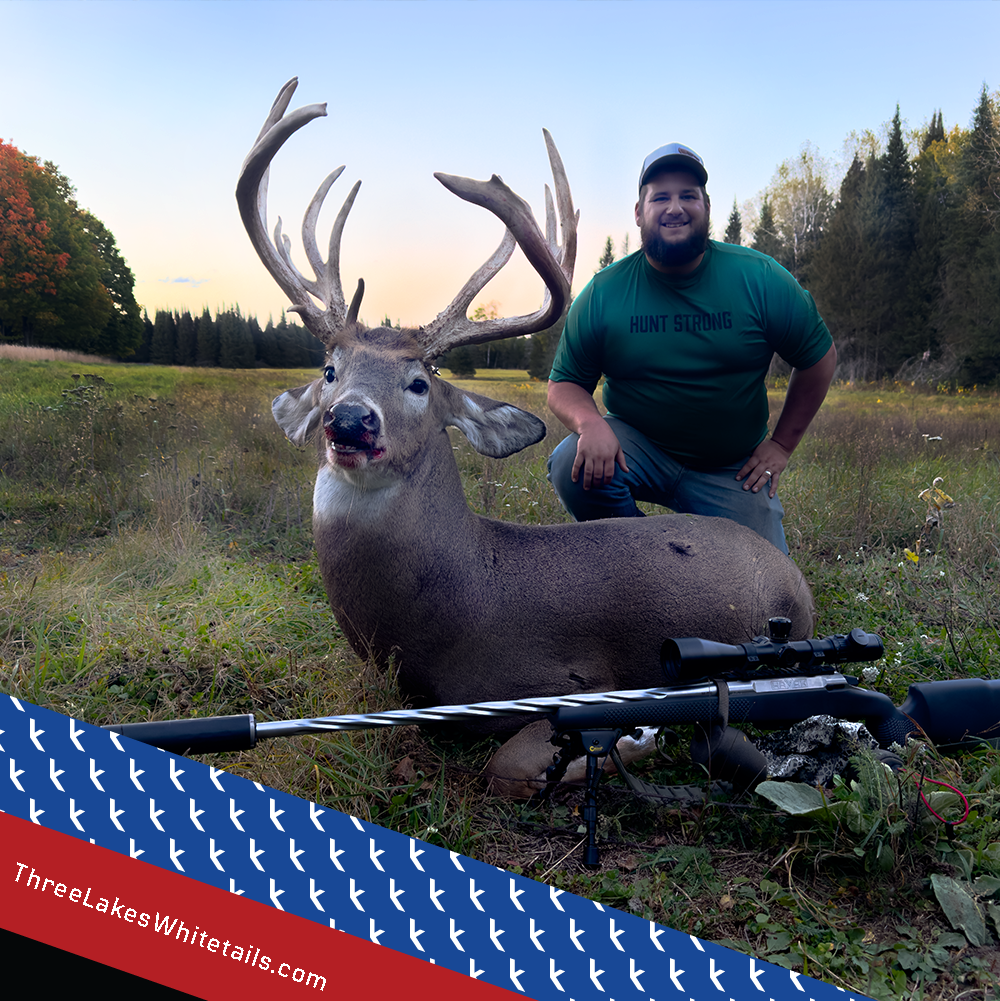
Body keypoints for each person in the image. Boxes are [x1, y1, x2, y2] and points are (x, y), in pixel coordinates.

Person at [546, 142, 836, 555]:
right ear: (639, 212)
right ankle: (648, 563)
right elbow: (564, 385)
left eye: (688, 196)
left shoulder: (760, 279)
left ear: (707, 207)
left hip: (731, 468)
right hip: (639, 449)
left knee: (767, 594)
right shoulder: (603, 293)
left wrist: (782, 445)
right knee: (569, 464)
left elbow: (819, 360)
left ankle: (689, 561)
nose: (675, 207)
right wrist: (590, 424)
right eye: (660, 197)